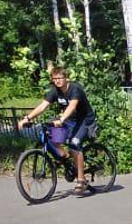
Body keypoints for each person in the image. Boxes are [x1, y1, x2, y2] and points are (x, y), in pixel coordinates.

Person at [17, 65, 98, 194]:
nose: (57, 81)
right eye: (54, 79)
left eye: (59, 78)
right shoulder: (55, 91)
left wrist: (61, 119)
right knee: (52, 137)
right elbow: (43, 106)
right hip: (69, 121)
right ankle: (65, 157)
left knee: (74, 144)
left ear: (66, 78)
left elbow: (72, 106)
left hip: (84, 121)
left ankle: (81, 180)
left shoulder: (75, 88)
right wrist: (27, 118)